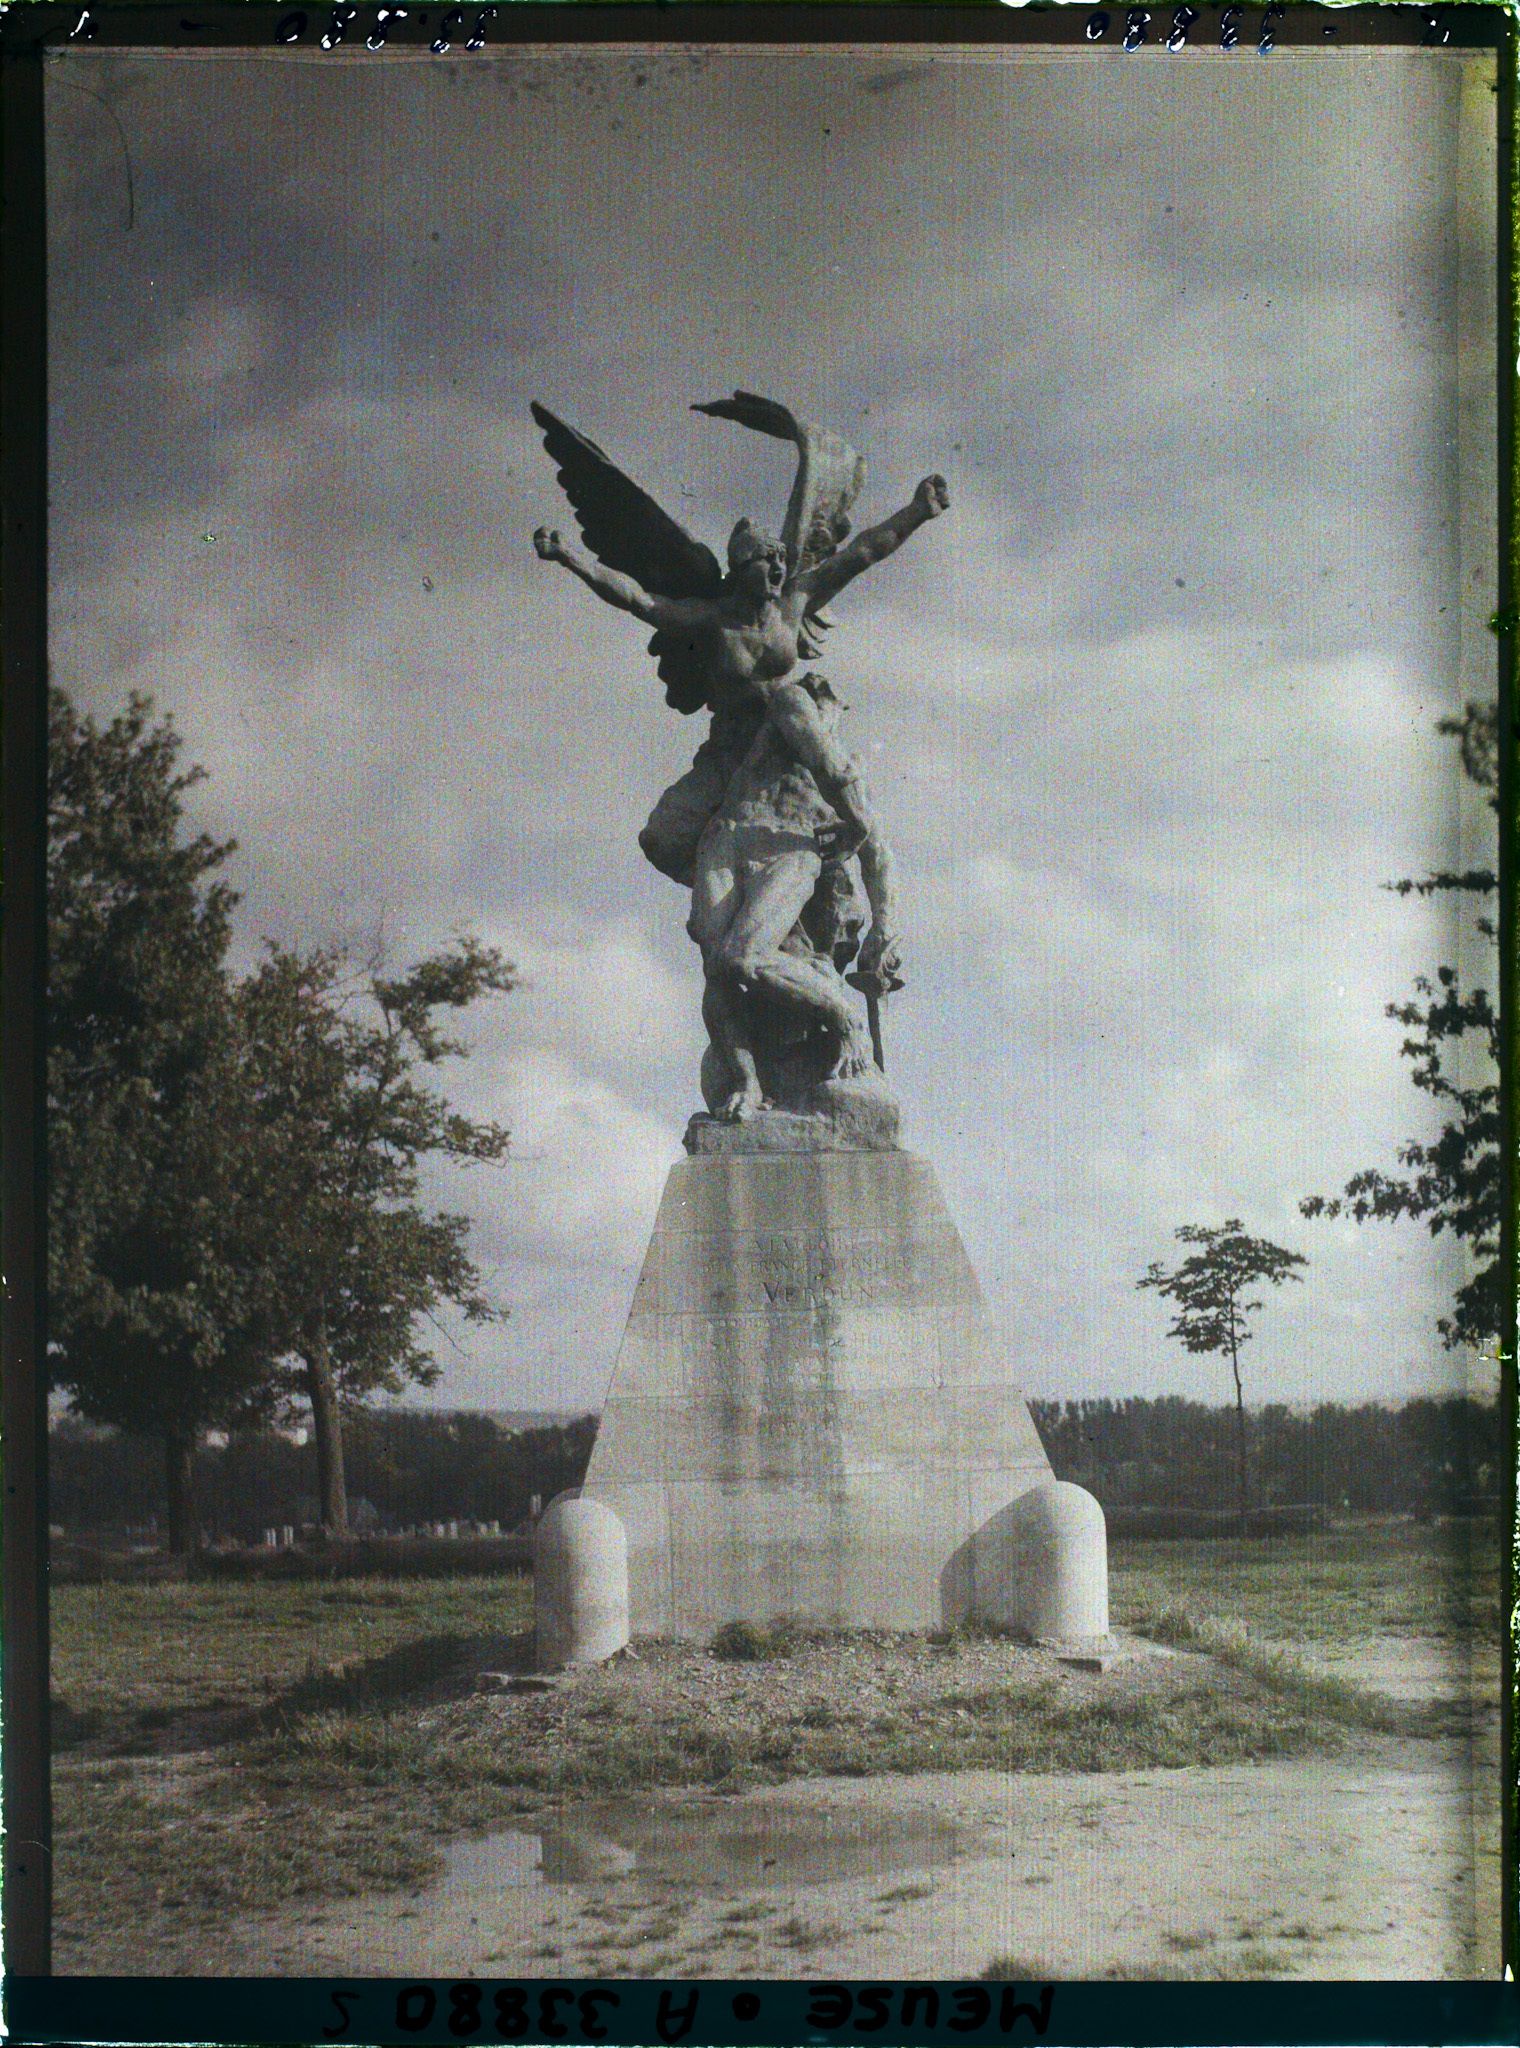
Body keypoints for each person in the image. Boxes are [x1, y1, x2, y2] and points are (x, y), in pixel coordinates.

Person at [687, 671, 900, 1122]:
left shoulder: (849, 775)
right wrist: (856, 825)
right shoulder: (788, 709)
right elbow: (828, 767)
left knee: (743, 957)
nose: (827, 718)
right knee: (717, 970)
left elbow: (878, 852)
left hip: (791, 850)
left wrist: (884, 925)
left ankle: (841, 1014)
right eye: (826, 706)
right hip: (727, 838)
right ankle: (747, 1083)